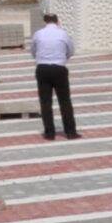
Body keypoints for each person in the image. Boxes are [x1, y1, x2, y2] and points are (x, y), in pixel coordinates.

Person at [31, 13, 80, 141]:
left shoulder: (38, 34)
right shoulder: (64, 33)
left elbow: (33, 51)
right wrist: (62, 58)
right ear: (57, 21)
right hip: (59, 68)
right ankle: (70, 131)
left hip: (42, 68)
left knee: (45, 102)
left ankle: (49, 133)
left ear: (44, 22)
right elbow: (71, 51)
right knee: (64, 100)